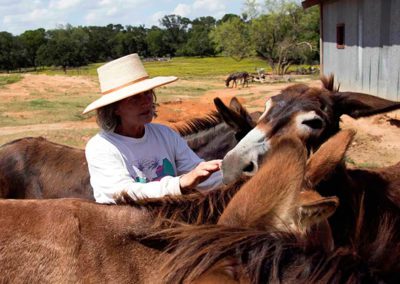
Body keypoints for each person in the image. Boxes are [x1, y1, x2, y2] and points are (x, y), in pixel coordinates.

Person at [83, 53, 222, 204]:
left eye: (148, 93)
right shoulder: (101, 147)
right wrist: (179, 184)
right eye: (134, 98)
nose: (146, 102)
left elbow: (198, 174)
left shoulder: (165, 134)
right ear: (115, 108)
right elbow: (121, 193)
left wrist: (237, 174)